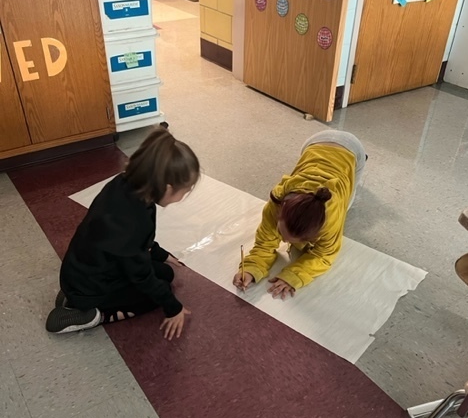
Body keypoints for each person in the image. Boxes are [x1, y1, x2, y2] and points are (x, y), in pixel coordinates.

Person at [46, 127, 200, 340]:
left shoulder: (127, 185)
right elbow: (141, 275)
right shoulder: (131, 221)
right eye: (186, 190)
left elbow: (136, 245)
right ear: (166, 188)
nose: (185, 196)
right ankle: (93, 314)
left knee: (166, 272)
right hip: (95, 283)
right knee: (159, 291)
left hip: (83, 271)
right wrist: (173, 308)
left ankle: (76, 296)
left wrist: (161, 254)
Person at [233, 130, 367, 300]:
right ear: (281, 212)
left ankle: (360, 164)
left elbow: (324, 255)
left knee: (348, 200)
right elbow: (265, 243)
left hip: (352, 150)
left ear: (316, 233)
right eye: (282, 234)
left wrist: (294, 276)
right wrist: (251, 268)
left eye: (292, 240)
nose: (285, 242)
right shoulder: (275, 205)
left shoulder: (331, 218)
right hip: (314, 143)